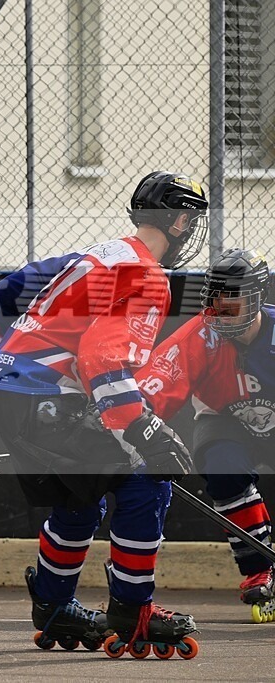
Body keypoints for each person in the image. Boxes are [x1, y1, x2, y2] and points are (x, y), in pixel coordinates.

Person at [0, 171, 207, 656]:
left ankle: (54, 605)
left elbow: (4, 292)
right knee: (146, 474)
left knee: (80, 497)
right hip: (45, 399)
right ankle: (132, 610)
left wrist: (2, 364)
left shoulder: (102, 254)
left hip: (16, 392)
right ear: (180, 221)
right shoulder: (147, 276)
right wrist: (144, 429)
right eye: (191, 220)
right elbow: (103, 361)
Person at [136, 248, 275, 615]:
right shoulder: (199, 335)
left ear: (258, 300)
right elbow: (156, 383)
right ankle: (261, 571)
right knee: (222, 468)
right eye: (214, 301)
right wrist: (124, 420)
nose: (220, 311)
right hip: (224, 418)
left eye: (233, 302)